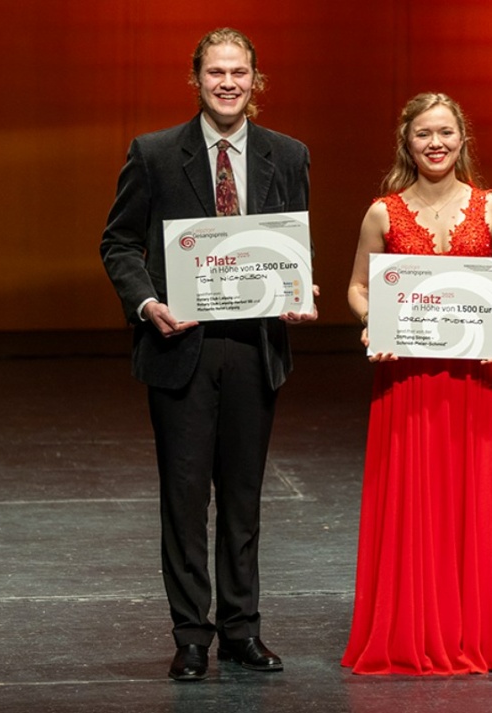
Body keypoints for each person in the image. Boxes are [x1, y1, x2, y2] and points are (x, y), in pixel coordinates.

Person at [99, 27, 316, 682]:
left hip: (254, 348)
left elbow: (291, 246)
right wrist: (146, 303)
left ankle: (242, 630)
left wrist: (301, 289)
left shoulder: (289, 154)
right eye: (216, 72)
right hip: (181, 346)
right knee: (186, 497)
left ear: (257, 79)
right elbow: (118, 243)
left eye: (239, 72)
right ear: (196, 78)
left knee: (243, 497)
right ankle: (192, 635)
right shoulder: (156, 153)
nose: (227, 83)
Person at [341, 93, 492, 675]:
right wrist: (373, 320)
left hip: (474, 376)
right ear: (408, 142)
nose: (436, 144)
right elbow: (357, 288)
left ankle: (474, 631)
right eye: (424, 134)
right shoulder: (383, 212)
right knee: (415, 499)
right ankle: (413, 629)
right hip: (410, 380)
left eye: (445, 133)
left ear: (462, 139)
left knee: (473, 502)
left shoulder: (491, 206)